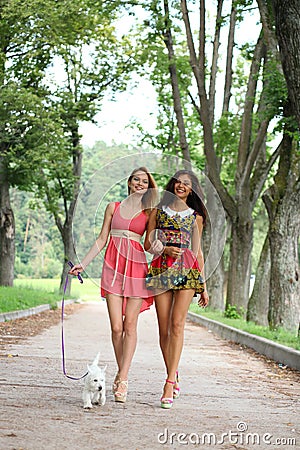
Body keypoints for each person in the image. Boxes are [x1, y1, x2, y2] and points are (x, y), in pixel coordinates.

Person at [69, 167, 158, 403]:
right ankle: (122, 372)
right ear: (129, 182)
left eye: (144, 181)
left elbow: (149, 244)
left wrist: (164, 248)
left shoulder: (149, 214)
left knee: (130, 325)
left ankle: (123, 378)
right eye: (136, 180)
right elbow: (101, 239)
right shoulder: (113, 207)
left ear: (148, 187)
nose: (140, 184)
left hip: (136, 267)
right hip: (113, 266)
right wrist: (83, 264)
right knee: (117, 327)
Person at [144, 169, 209, 409]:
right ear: (172, 185)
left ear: (191, 190)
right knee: (163, 329)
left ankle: (169, 382)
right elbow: (148, 244)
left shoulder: (196, 216)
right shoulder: (158, 212)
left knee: (177, 325)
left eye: (187, 184)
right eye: (178, 182)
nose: (181, 186)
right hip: (162, 269)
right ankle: (174, 370)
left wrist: (203, 285)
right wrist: (164, 249)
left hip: (187, 271)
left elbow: (198, 251)